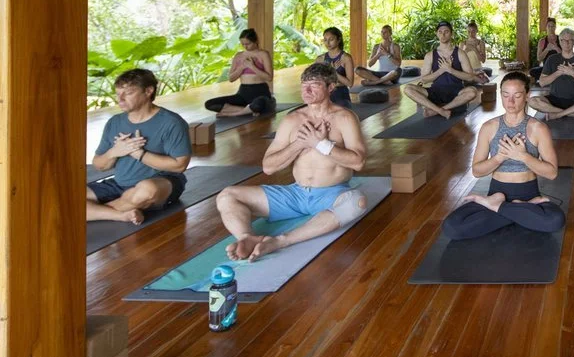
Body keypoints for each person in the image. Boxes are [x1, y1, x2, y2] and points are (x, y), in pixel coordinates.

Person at [216, 63, 368, 262]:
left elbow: (358, 162)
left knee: (357, 202)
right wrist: (300, 143)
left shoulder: (345, 118)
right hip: (296, 194)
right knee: (227, 195)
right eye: (304, 85)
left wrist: (321, 144)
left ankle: (280, 241)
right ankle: (247, 237)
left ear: (331, 87)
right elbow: (268, 167)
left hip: (331, 193)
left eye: (314, 85)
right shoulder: (292, 120)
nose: (306, 90)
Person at [442, 72, 566, 239]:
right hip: (497, 192)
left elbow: (552, 173)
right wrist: (500, 157)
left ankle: (498, 206)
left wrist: (522, 156)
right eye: (506, 95)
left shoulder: (538, 128)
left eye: (517, 95)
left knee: (555, 220)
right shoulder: (489, 127)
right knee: (452, 226)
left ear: (527, 96)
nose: (510, 101)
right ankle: (520, 209)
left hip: (528, 193)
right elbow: (477, 171)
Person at [87, 69, 192, 224]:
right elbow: (99, 165)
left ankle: (92, 212)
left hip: (161, 183)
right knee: (68, 197)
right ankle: (121, 214)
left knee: (147, 190)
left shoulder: (171, 122)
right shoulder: (114, 122)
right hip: (120, 184)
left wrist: (140, 154)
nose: (120, 99)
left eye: (128, 93)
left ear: (148, 91)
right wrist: (114, 152)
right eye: (118, 94)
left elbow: (179, 166)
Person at [403, 21, 480, 118]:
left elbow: (470, 77)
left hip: (456, 92)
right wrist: (441, 70)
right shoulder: (430, 55)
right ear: (437, 34)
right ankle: (440, 110)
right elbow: (424, 79)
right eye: (440, 32)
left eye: (446, 32)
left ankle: (435, 111)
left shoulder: (460, 53)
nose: (443, 34)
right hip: (435, 91)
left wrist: (450, 70)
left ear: (451, 34)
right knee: (408, 89)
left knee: (473, 92)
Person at [529, 28, 574, 119]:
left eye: (570, 40)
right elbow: (542, 82)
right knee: (532, 101)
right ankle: (571, 113)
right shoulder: (552, 59)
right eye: (564, 40)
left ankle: (558, 114)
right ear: (560, 42)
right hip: (554, 99)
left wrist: (573, 73)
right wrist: (559, 72)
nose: (567, 43)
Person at [204, 29, 277, 117]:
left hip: (260, 92)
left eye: (248, 44)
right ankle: (248, 109)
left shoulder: (263, 54)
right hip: (243, 93)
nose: (245, 46)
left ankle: (232, 113)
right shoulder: (238, 56)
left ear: (256, 41)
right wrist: (242, 67)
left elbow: (269, 77)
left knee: (258, 104)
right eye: (243, 44)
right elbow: (231, 79)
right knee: (210, 104)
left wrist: (252, 66)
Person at [316, 27, 354, 108]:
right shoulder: (320, 59)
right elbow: (317, 81)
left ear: (338, 40)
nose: (327, 43)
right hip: (324, 93)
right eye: (325, 40)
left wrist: (333, 72)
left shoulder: (346, 58)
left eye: (331, 39)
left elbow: (349, 83)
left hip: (340, 94)